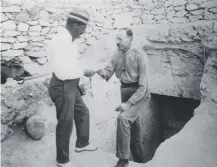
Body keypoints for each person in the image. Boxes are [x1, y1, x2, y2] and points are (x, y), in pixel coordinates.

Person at [47, 7, 98, 167]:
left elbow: (72, 63)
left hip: (70, 85)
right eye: (82, 29)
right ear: (75, 25)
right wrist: (84, 72)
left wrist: (80, 75)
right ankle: (62, 160)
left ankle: (82, 143)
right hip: (62, 86)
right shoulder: (62, 41)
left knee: (83, 112)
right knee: (65, 123)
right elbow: (64, 71)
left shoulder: (69, 40)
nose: (83, 33)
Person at [97, 28, 150, 167]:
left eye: (120, 39)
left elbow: (143, 87)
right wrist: (102, 72)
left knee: (123, 119)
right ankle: (140, 161)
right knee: (134, 130)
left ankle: (123, 160)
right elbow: (109, 70)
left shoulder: (140, 56)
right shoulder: (117, 54)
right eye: (117, 39)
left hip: (140, 94)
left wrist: (128, 104)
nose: (117, 42)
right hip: (125, 91)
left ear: (130, 39)